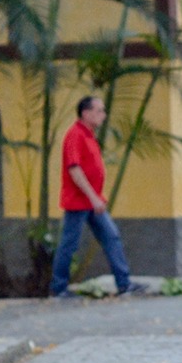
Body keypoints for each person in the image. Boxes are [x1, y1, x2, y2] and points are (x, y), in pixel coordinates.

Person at [50, 96, 140, 299]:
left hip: (92, 201)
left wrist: (95, 198)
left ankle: (124, 284)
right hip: (79, 201)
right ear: (86, 113)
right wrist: (93, 197)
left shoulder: (88, 135)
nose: (103, 115)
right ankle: (58, 289)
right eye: (99, 111)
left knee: (111, 237)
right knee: (69, 244)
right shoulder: (75, 135)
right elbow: (74, 169)